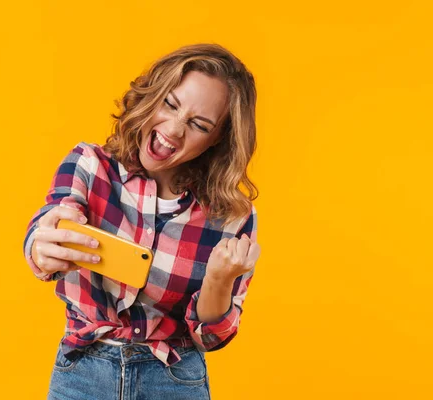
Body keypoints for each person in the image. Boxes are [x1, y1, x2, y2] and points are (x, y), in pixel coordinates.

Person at [23, 43, 262, 400]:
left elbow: (211, 337)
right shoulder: (89, 166)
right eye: (170, 103)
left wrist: (219, 278)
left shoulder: (230, 217)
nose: (175, 130)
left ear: (218, 140)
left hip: (174, 379)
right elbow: (49, 225)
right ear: (152, 95)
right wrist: (41, 245)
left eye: (198, 124)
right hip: (83, 372)